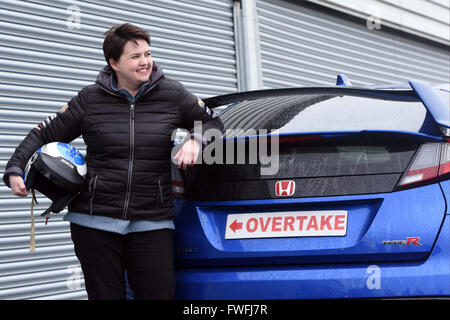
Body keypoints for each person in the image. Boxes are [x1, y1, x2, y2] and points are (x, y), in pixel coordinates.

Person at [3, 23, 224, 300]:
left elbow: (214, 122)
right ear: (114, 63)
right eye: (135, 56)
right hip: (94, 222)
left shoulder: (173, 94)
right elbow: (42, 133)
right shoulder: (89, 100)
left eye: (148, 53)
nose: (145, 62)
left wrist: (196, 139)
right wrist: (15, 169)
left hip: (152, 221)